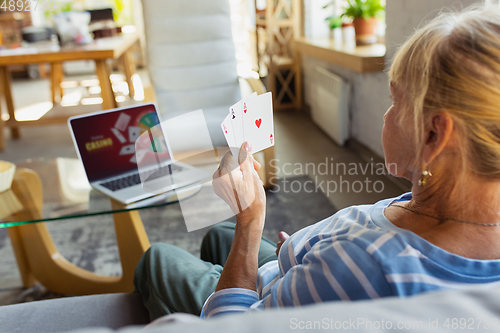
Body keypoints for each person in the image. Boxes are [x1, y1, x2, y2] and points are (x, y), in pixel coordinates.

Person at [134, 6, 500, 321]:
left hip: (260, 304)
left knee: (158, 258)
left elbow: (233, 326)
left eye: (396, 100)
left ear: (434, 135)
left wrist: (249, 220)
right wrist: (306, 249)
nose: (386, 116)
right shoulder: (458, 217)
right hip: (299, 267)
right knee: (217, 235)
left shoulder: (361, 263)